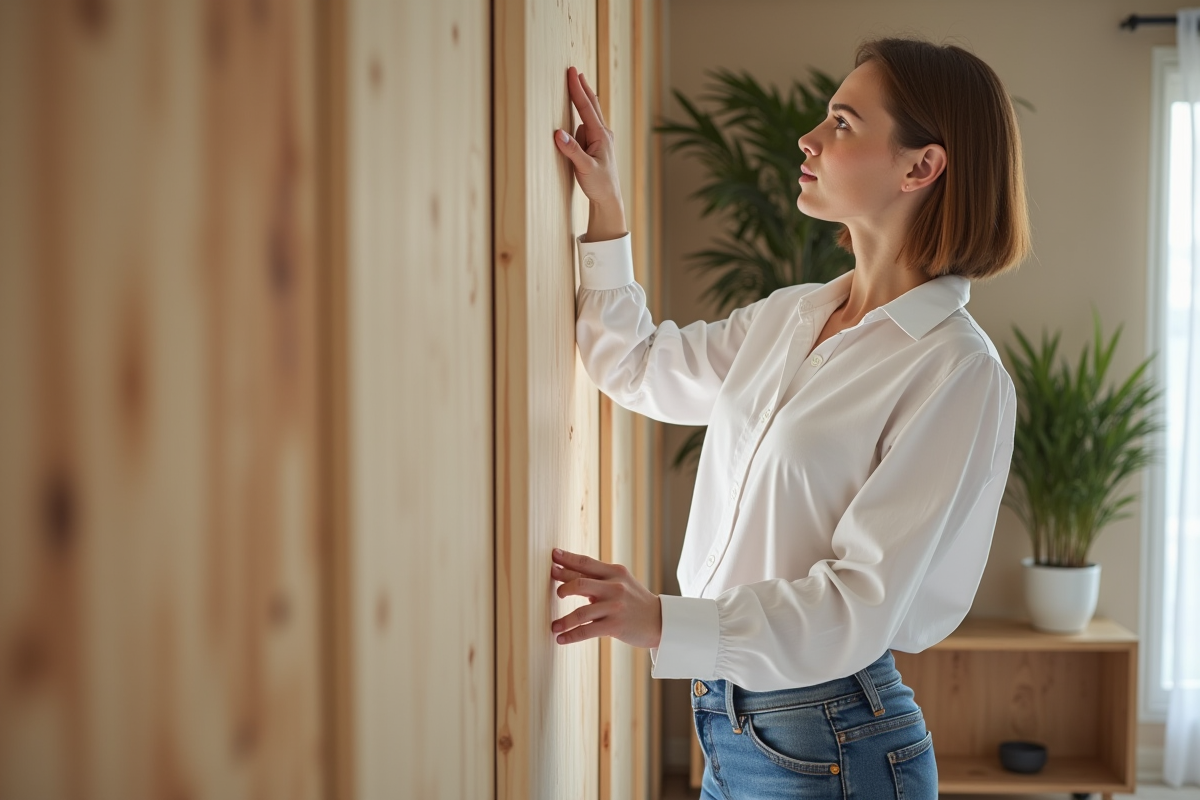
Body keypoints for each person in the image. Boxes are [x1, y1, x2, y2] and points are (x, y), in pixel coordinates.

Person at [549, 35, 1030, 799]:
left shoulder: (958, 372)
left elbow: (857, 604)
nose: (807, 138)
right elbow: (635, 366)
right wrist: (603, 208)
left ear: (920, 167)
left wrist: (666, 621)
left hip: (835, 745)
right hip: (730, 724)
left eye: (842, 122)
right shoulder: (792, 318)